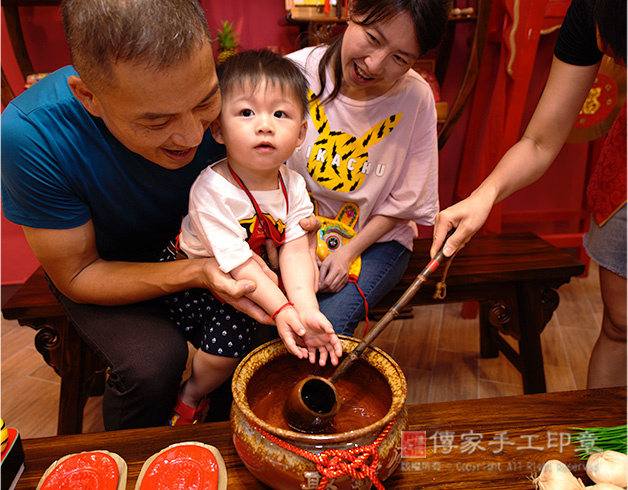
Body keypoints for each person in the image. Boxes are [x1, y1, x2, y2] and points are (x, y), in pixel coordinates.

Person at [0, 0, 319, 430]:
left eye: (206, 103)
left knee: (253, 344)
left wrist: (291, 236)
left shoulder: (232, 96)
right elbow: (77, 274)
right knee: (152, 363)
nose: (192, 136)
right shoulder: (32, 134)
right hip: (106, 268)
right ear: (89, 97)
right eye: (156, 121)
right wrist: (197, 272)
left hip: (212, 249)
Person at [431, 0, 626, 389]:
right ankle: (605, 447)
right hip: (624, 173)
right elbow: (539, 141)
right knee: (622, 326)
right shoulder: (593, 10)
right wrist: (484, 196)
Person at [159, 49, 342, 425]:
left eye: (280, 114)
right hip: (194, 280)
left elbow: (294, 250)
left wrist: (305, 307)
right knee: (231, 343)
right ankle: (193, 393)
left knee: (287, 316)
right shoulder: (211, 189)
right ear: (218, 129)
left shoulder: (293, 184)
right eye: (246, 112)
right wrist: (284, 310)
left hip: (251, 275)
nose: (264, 125)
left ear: (301, 134)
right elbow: (239, 264)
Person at [286, 0, 452, 336]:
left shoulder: (416, 98)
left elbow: (405, 202)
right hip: (290, 234)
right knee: (276, 316)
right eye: (373, 38)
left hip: (376, 241)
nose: (374, 65)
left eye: (400, 59)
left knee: (326, 326)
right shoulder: (292, 74)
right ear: (352, 12)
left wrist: (348, 252)